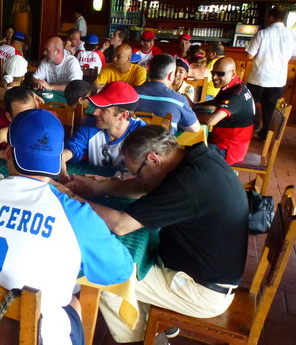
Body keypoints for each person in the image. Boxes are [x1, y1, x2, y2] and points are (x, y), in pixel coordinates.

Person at [0, 108, 134, 345]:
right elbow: (119, 271)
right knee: (72, 300)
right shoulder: (74, 215)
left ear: (8, 153)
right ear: (59, 159)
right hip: (30, 336)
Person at [65, 125, 249, 344]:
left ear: (153, 159)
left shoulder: (188, 183)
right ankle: (155, 329)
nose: (137, 178)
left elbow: (120, 225)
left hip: (202, 291)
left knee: (106, 278)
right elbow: (146, 187)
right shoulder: (192, 158)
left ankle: (147, 340)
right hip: (193, 269)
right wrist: (99, 189)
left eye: (137, 172)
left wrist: (68, 199)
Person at [61, 81, 146, 177]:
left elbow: (144, 178)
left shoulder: (142, 135)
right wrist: (62, 159)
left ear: (123, 115)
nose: (95, 112)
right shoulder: (91, 125)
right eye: (97, 107)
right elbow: (73, 147)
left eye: (104, 109)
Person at [246, 5, 296, 140]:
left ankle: (252, 127)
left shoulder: (263, 33)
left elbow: (249, 55)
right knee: (270, 108)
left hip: (258, 77)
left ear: (271, 17)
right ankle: (265, 135)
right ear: (283, 19)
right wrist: (283, 57)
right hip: (278, 79)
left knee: (250, 103)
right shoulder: (292, 35)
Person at [196, 57, 255, 165]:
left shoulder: (236, 95)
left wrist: (188, 114)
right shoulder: (233, 86)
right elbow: (215, 103)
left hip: (229, 150)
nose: (214, 77)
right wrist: (193, 106)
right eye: (213, 73)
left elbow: (211, 121)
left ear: (232, 74)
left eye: (220, 74)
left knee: (189, 155)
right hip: (227, 142)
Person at [135, 54, 200, 134]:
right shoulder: (178, 100)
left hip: (132, 144)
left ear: (148, 71)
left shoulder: (132, 94)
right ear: (170, 75)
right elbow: (195, 128)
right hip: (162, 145)